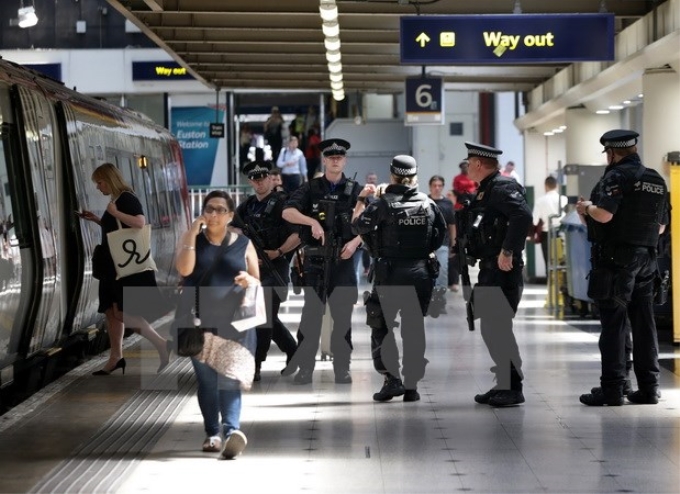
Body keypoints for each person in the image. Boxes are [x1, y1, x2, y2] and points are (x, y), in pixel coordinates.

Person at [576, 130, 668, 407]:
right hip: (647, 260)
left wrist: (586, 208)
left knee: (614, 324)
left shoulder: (616, 176)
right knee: (644, 323)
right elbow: (661, 227)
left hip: (616, 260)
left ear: (612, 153)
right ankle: (649, 388)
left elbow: (604, 215)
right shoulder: (656, 179)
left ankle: (614, 389)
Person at [351, 155, 446, 402]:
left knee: (381, 325)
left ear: (392, 175)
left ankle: (391, 379)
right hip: (421, 274)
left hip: (389, 274)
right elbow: (439, 236)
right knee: (414, 328)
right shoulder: (428, 203)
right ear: (415, 176)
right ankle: (412, 386)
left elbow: (357, 226)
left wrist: (362, 199)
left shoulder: (382, 204)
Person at [175, 190, 260, 459]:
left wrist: (248, 281)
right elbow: (185, 271)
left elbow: (257, 280)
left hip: (236, 322)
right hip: (199, 320)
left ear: (230, 215)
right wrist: (191, 231)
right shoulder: (193, 241)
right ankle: (212, 432)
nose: (213, 214)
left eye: (220, 210)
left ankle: (231, 431)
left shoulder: (244, 243)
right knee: (208, 381)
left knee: (231, 378)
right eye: (209, 209)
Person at [282, 138, 362, 384]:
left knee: (342, 319)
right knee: (311, 318)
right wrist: (312, 222)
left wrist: (355, 242)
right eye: (331, 157)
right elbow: (287, 211)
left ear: (345, 160)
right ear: (324, 160)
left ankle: (342, 368)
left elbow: (370, 223)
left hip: (343, 261)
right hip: (316, 262)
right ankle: (306, 368)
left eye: (340, 157)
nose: (336, 160)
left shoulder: (356, 189)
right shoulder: (311, 188)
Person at [459, 142, 533, 407]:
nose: (467, 167)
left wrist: (508, 250)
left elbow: (523, 216)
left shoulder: (502, 187)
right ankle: (504, 381)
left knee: (498, 327)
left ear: (478, 163)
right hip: (490, 270)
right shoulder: (487, 190)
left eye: (469, 162)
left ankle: (513, 386)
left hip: (503, 270)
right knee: (491, 328)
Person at [79, 163, 169, 375]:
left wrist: (115, 213)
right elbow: (118, 230)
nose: (98, 187)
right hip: (112, 266)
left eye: (99, 182)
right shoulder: (116, 201)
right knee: (111, 312)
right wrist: (99, 220)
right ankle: (116, 357)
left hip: (121, 267)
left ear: (109, 179)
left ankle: (161, 343)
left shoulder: (126, 198)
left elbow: (139, 223)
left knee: (121, 313)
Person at [232, 161, 300, 381]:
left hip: (275, 267)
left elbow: (297, 235)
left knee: (263, 319)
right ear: (251, 181)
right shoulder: (247, 207)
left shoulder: (284, 204)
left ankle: (256, 364)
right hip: (252, 270)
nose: (259, 182)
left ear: (271, 179)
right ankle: (292, 350)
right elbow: (232, 227)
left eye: (263, 177)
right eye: (255, 178)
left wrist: (277, 252)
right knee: (264, 317)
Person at [427, 176, 456, 296]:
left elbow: (452, 225)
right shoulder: (424, 201)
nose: (437, 188)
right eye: (434, 185)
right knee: (427, 272)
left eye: (439, 185)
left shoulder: (447, 203)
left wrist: (454, 243)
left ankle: (440, 300)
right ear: (430, 186)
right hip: (427, 243)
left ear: (443, 187)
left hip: (443, 242)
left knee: (442, 270)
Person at [532, 175, 567, 268]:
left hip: (546, 235)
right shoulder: (564, 199)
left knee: (549, 263)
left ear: (545, 186)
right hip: (562, 233)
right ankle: (562, 282)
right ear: (557, 186)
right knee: (561, 262)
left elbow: (534, 221)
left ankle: (549, 281)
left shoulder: (540, 201)